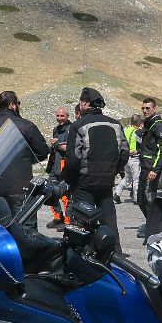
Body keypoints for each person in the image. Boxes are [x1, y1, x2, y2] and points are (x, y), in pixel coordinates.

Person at [62, 87, 129, 251]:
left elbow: (72, 160)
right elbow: (124, 153)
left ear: (84, 104)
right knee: (109, 220)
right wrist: (113, 171)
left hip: (84, 183)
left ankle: (79, 258)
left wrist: (69, 180)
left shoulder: (78, 126)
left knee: (81, 224)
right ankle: (116, 257)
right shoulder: (116, 125)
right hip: (106, 181)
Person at [0, 90, 50, 228]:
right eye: (18, 103)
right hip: (21, 186)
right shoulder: (27, 126)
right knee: (26, 229)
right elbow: (43, 152)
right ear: (12, 105)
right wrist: (25, 159)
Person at [135, 97, 162, 238]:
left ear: (154, 109)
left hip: (151, 170)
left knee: (149, 199)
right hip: (145, 167)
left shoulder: (158, 125)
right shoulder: (149, 124)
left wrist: (155, 170)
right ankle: (152, 224)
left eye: (147, 108)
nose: (145, 110)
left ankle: (157, 228)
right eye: (143, 108)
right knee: (140, 199)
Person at [46, 106, 72, 229]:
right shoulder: (56, 129)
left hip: (64, 168)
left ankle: (68, 222)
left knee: (65, 196)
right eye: (58, 116)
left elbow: (69, 148)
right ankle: (58, 218)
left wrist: (56, 144)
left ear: (67, 116)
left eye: (62, 116)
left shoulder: (71, 129)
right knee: (50, 193)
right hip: (54, 166)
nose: (60, 118)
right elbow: (57, 146)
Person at [114, 114, 142, 203]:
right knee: (136, 179)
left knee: (127, 178)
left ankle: (117, 193)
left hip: (126, 158)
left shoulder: (126, 129)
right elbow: (144, 144)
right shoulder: (137, 132)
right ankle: (136, 198)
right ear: (138, 122)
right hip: (135, 158)